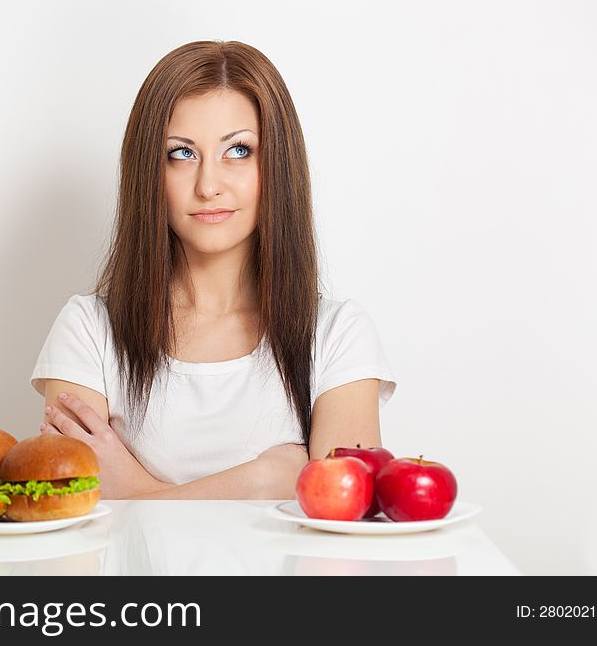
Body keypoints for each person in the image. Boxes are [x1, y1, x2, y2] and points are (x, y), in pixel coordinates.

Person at [31, 40, 397, 500]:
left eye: (239, 151)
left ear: (278, 166)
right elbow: (70, 512)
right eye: (181, 154)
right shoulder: (89, 330)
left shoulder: (337, 334)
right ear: (149, 171)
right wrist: (264, 480)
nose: (208, 185)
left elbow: (345, 513)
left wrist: (136, 492)